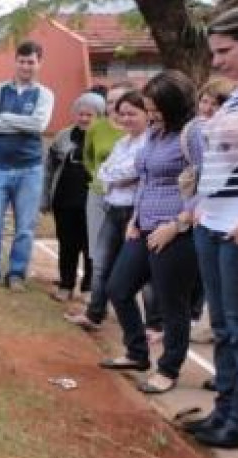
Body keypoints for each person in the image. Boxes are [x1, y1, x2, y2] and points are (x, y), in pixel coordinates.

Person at [98, 70, 197, 395]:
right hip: (143, 226)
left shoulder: (192, 134)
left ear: (174, 105)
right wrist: (135, 218)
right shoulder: (155, 133)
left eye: (155, 108)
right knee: (118, 288)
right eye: (149, 107)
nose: (151, 114)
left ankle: (168, 369)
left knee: (172, 305)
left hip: (176, 232)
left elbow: (206, 185)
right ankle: (137, 353)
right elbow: (145, 178)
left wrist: (177, 225)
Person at [181, 6, 238, 448]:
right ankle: (223, 410)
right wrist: (202, 206)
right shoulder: (236, 97)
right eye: (214, 52)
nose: (217, 61)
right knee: (222, 328)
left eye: (225, 51)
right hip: (213, 222)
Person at [64, 90, 152, 331]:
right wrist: (115, 175)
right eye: (122, 114)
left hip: (137, 212)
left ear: (147, 114)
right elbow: (104, 171)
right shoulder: (123, 143)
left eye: (132, 114)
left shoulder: (151, 142)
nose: (126, 119)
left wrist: (116, 174)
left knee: (142, 271)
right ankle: (95, 313)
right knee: (101, 263)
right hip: (114, 208)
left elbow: (132, 171)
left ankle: (153, 323)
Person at [0, 40, 55, 291]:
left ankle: (16, 274)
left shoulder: (44, 94)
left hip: (29, 170)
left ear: (39, 63)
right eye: (22, 61)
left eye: (31, 62)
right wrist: (22, 123)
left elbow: (39, 125)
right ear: (16, 62)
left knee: (25, 228)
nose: (26, 66)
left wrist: (5, 118)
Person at [181, 76, 238, 346]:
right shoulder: (197, 130)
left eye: (214, 104)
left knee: (233, 312)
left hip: (231, 224)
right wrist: (198, 206)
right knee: (219, 311)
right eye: (203, 101)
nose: (206, 108)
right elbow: (202, 172)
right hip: (206, 218)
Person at [42, 92, 104, 301]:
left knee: (91, 246)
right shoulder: (63, 136)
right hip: (65, 199)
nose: (84, 118)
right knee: (67, 244)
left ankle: (88, 288)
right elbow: (49, 168)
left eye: (89, 115)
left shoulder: (107, 138)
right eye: (80, 114)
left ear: (100, 115)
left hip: (94, 202)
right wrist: (45, 197)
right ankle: (66, 284)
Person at [84, 82, 135, 301]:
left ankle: (121, 300)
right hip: (99, 193)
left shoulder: (139, 131)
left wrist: (116, 177)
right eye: (110, 102)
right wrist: (98, 177)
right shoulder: (97, 127)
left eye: (119, 101)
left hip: (128, 200)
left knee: (126, 255)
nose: (114, 106)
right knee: (99, 253)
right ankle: (97, 305)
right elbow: (89, 157)